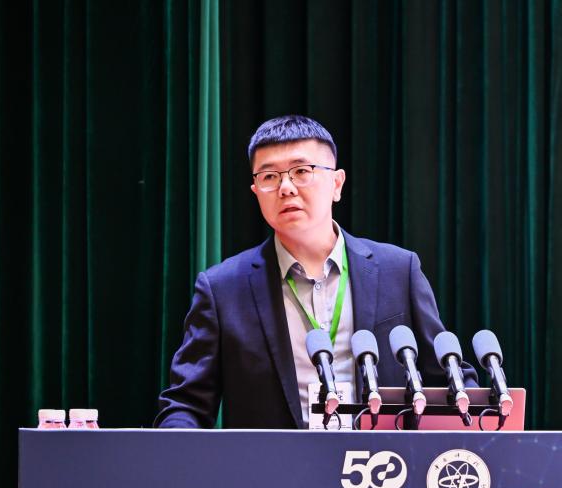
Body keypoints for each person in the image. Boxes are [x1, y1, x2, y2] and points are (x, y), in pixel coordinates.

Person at [154, 114, 473, 429]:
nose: (286, 187)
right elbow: (187, 404)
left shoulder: (398, 271)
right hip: (273, 462)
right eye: (269, 177)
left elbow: (449, 379)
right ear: (256, 192)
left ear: (337, 184)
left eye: (301, 171)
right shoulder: (222, 289)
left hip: (381, 459)